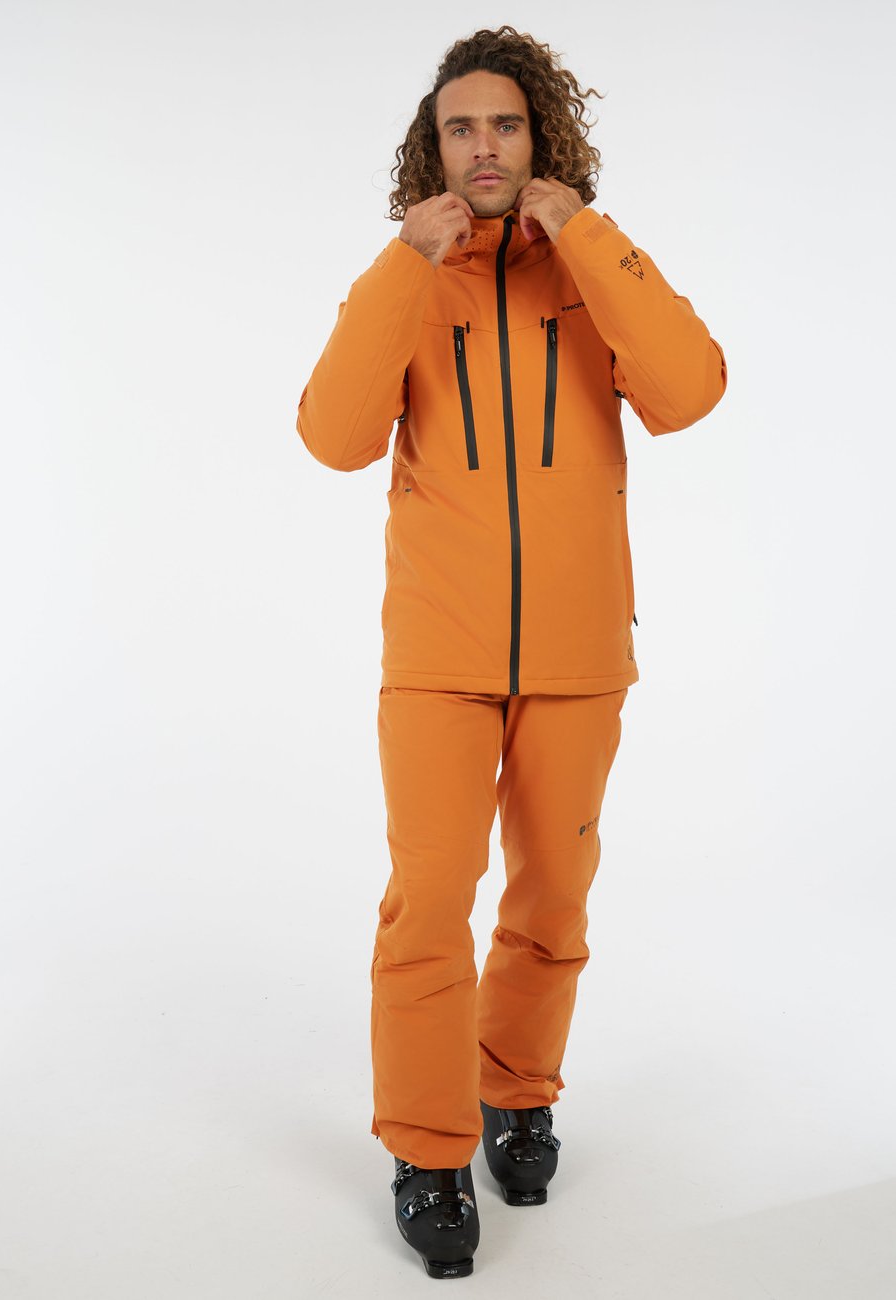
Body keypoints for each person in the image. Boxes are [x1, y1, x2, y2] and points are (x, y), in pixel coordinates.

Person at [296, 24, 727, 1278]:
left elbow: (690, 390)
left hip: (579, 651)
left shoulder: (588, 270)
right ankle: (428, 1153)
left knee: (551, 899)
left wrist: (587, 235)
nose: (483, 146)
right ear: (432, 151)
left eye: (505, 124)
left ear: (541, 137)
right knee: (430, 902)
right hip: (439, 652)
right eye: (460, 128)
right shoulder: (411, 278)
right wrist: (403, 261)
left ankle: (517, 1094)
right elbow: (332, 435)